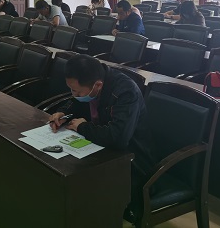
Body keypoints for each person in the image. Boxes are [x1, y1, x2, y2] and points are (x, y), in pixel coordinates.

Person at [48, 55, 154, 221]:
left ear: (97, 85)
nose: (73, 94)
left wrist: (82, 127)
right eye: (71, 89)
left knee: (78, 183)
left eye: (76, 91)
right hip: (101, 149)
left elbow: (118, 139)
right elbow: (77, 102)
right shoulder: (92, 81)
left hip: (131, 160)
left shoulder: (125, 92)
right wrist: (64, 113)